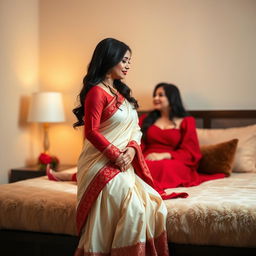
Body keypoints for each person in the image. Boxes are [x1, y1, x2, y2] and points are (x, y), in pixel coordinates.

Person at [67, 38, 170, 256]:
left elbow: (136, 130)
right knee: (134, 208)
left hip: (123, 162)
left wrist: (131, 151)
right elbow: (91, 132)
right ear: (109, 59)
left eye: (129, 61)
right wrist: (116, 155)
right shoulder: (97, 91)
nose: (127, 66)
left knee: (153, 202)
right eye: (124, 60)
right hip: (100, 164)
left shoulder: (121, 95)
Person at [139, 82, 226, 190]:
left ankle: (154, 191)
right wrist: (139, 157)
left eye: (160, 95)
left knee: (164, 166)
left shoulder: (187, 121)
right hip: (148, 157)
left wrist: (165, 155)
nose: (156, 98)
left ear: (172, 98)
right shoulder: (145, 119)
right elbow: (138, 143)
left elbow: (190, 151)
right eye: (155, 95)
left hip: (174, 159)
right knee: (142, 167)